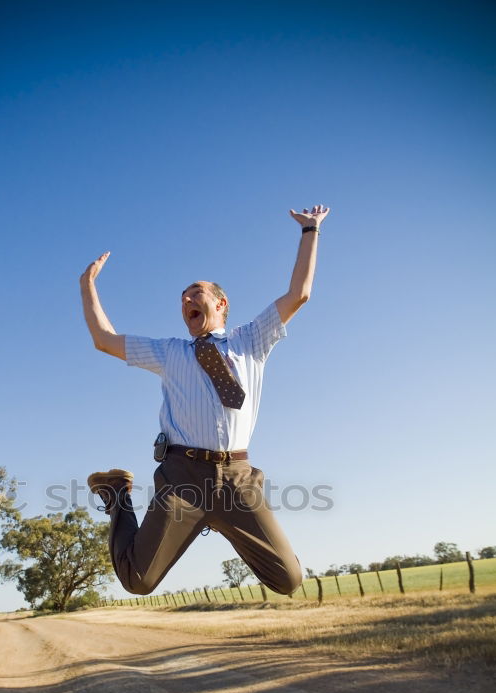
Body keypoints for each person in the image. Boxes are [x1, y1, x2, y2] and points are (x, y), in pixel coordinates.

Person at [80, 205, 330, 596]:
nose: (186, 303)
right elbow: (104, 339)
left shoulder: (251, 340)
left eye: (194, 294)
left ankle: (231, 525)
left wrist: (310, 231)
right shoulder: (170, 352)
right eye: (181, 300)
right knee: (138, 580)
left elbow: (300, 293)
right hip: (183, 477)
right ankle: (116, 494)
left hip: (237, 479)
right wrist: (87, 287)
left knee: (289, 579)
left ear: (220, 303)